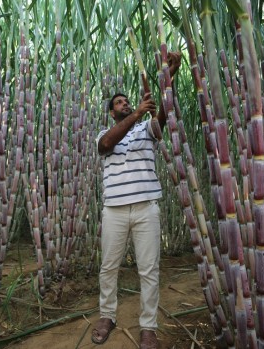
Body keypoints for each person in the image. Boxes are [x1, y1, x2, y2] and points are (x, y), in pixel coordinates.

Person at [92, 52, 181, 349]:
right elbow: (107, 145)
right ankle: (107, 315)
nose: (124, 104)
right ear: (111, 112)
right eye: (118, 103)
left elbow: (163, 119)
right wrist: (137, 113)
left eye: (126, 101)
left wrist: (171, 76)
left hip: (146, 209)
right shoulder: (106, 134)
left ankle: (148, 327)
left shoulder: (146, 129)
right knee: (108, 267)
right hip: (114, 211)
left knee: (149, 270)